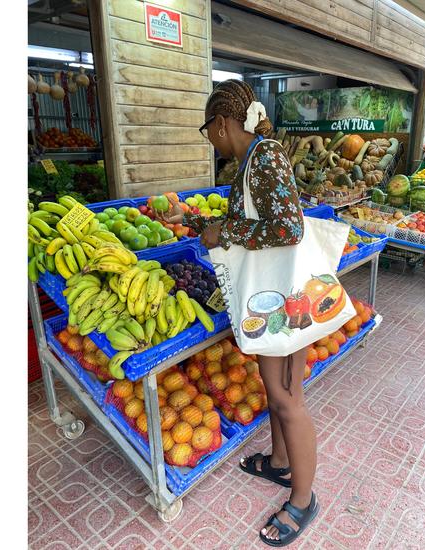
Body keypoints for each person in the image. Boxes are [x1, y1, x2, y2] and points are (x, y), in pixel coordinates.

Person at [158, 79, 319, 546]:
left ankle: (304, 501)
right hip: (271, 299)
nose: (210, 139)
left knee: (289, 399)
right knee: (276, 393)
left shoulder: (264, 155)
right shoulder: (254, 159)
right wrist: (213, 227)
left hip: (286, 302)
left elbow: (288, 227)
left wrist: (224, 231)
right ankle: (280, 464)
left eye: (208, 130)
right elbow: (263, 219)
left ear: (222, 123)